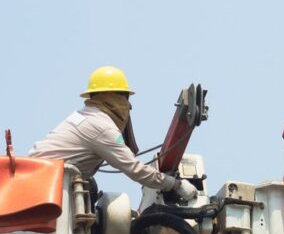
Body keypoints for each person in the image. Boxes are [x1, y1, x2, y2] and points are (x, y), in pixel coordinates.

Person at [29, 66, 197, 200]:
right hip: (45, 187)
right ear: (113, 98)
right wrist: (175, 184)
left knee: (90, 187)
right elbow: (134, 168)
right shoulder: (101, 126)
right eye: (125, 98)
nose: (127, 106)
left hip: (35, 178)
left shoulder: (84, 116)